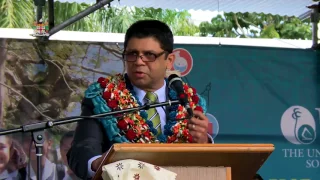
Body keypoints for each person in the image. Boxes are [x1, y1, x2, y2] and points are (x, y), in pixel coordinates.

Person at [67, 19, 214, 179]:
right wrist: (98, 163)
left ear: (169, 61)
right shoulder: (102, 97)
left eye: (149, 55)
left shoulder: (187, 102)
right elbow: (81, 151)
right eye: (132, 54)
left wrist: (204, 142)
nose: (138, 62)